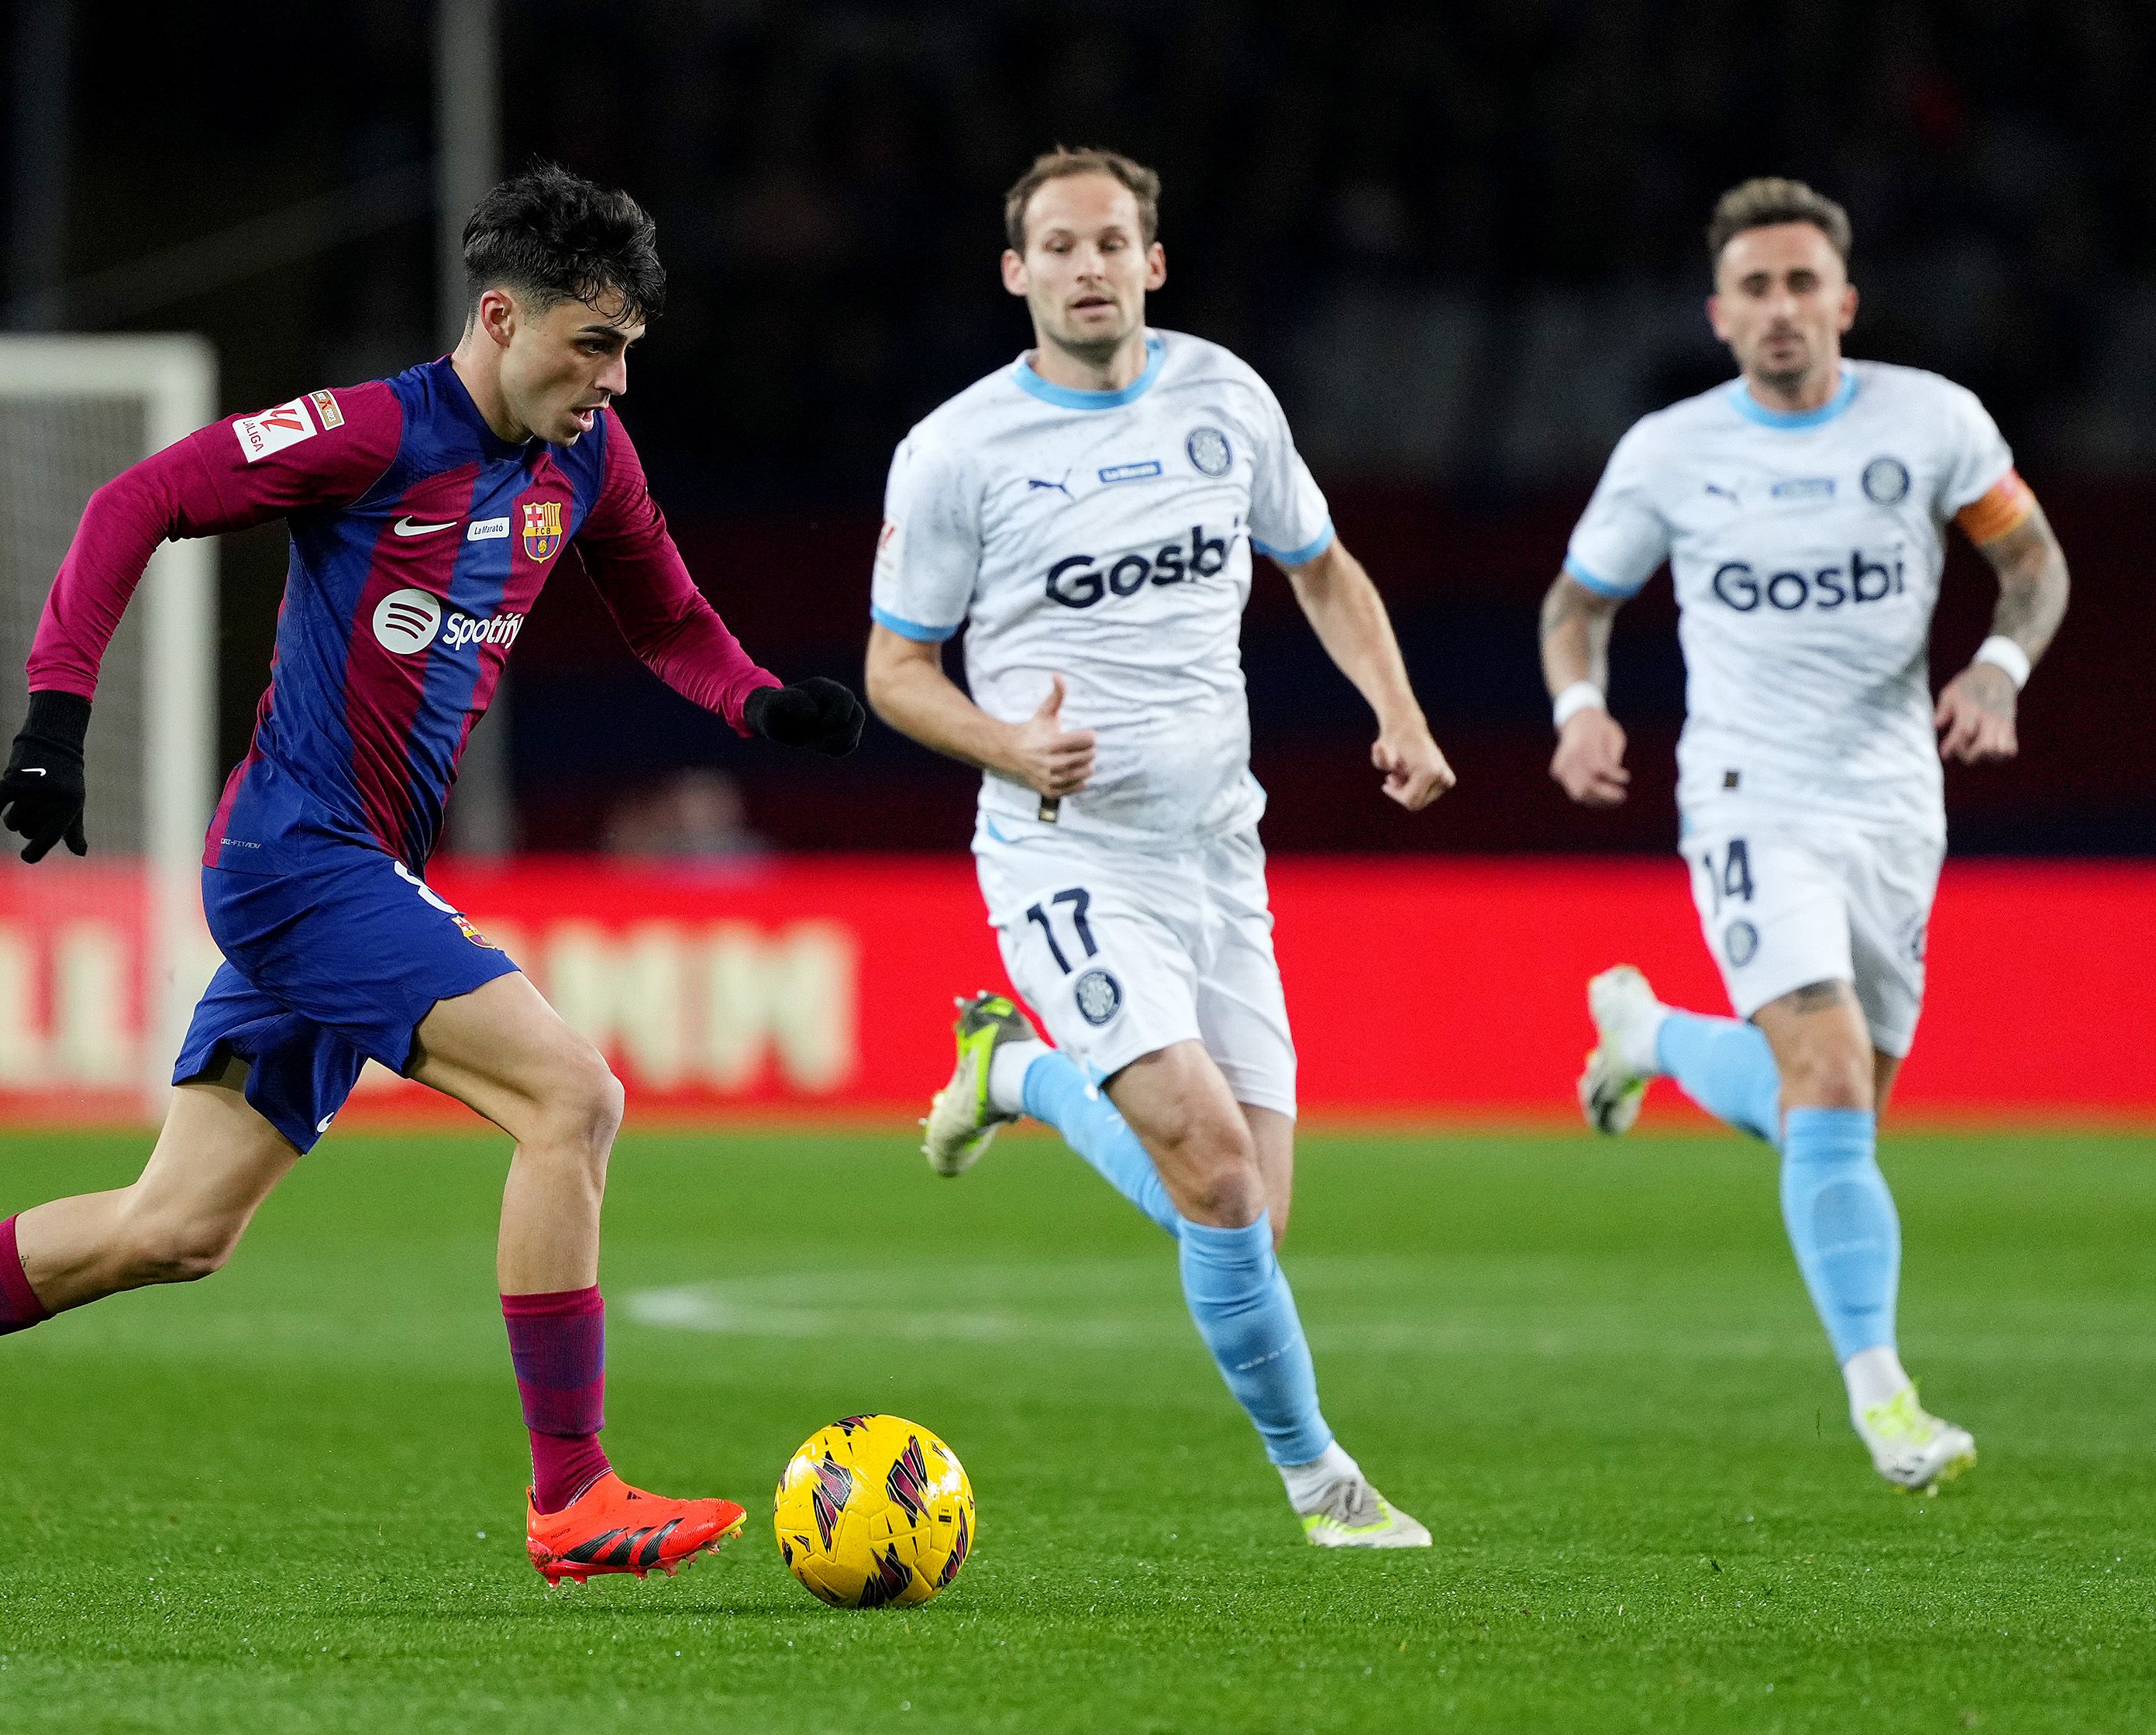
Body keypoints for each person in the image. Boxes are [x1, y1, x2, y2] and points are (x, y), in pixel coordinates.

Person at [0, 165, 864, 1581]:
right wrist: (56, 716)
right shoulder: (373, 432)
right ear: (500, 317)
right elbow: (136, 499)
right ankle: (570, 1493)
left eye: (627, 349)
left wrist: (760, 704)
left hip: (353, 869)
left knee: (174, 1228)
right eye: (593, 344)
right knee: (572, 1097)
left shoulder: (587, 462)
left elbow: (666, 618)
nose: (615, 380)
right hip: (296, 856)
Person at [870, 148, 1455, 1549]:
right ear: (1015, 272)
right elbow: (894, 670)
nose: (1086, 267)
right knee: (1216, 1172)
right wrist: (1006, 745)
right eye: (1057, 247)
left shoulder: (1224, 398)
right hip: (1064, 852)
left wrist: (1398, 711)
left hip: (1215, 848)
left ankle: (1011, 1072)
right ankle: (1323, 1485)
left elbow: (1319, 566)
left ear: (1152, 262)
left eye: (1109, 243)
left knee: (1246, 1212)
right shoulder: (956, 450)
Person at [1545, 177, 2069, 1494]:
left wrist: (1999, 665)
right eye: (1754, 289)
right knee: (1827, 1085)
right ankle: (1885, 1401)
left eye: (1800, 284)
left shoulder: (1932, 422)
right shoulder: (1668, 452)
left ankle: (1648, 1036)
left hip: (1891, 800)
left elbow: (2032, 563)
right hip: (1746, 791)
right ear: (1717, 314)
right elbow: (1576, 603)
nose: (1778, 308)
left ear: (1843, 301)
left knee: (1834, 1114)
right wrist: (1578, 708)